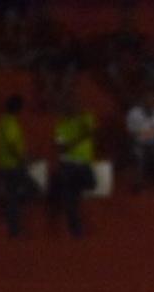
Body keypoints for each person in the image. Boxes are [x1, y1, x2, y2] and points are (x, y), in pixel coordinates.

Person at [51, 92, 97, 237]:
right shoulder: (61, 125)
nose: (72, 108)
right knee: (71, 199)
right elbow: (61, 148)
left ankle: (70, 189)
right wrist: (78, 139)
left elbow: (90, 132)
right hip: (69, 163)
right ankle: (75, 231)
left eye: (74, 105)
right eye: (69, 106)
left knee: (90, 184)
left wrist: (75, 139)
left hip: (83, 163)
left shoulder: (86, 118)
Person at [0, 93, 39, 238]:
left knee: (13, 196)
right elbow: (13, 145)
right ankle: (14, 218)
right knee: (34, 189)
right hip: (12, 166)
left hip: (4, 165)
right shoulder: (10, 123)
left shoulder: (2, 122)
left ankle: (14, 229)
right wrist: (24, 159)